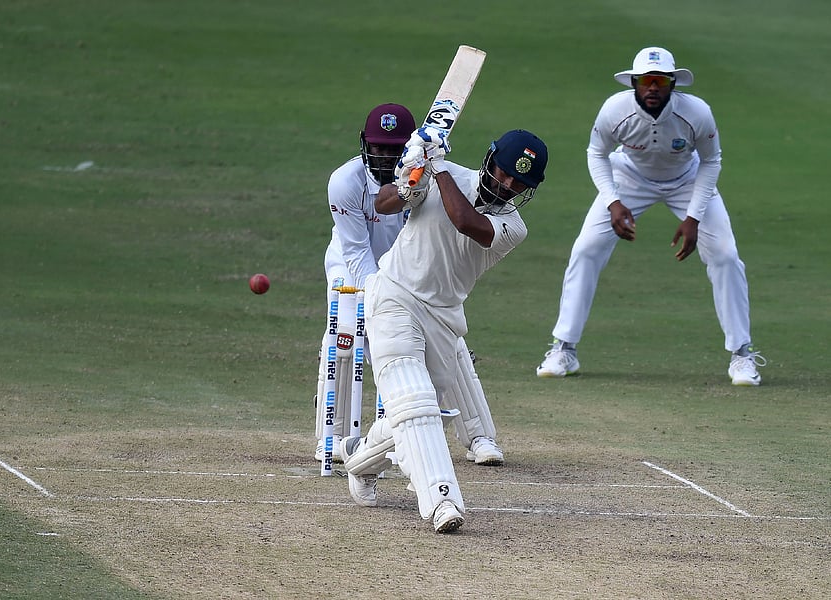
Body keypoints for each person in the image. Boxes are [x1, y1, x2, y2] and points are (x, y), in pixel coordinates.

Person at [339, 126, 549, 533]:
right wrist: (410, 176)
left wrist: (434, 168)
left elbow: (465, 220)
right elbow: (383, 204)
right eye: (504, 173)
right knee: (413, 400)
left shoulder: (512, 227)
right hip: (394, 296)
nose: (506, 186)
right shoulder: (445, 173)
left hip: (443, 318)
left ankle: (359, 459)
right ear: (489, 160)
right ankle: (442, 501)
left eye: (518, 183)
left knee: (416, 413)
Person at [535, 47, 765, 386]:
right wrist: (613, 201)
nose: (653, 88)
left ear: (673, 84)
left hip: (688, 179)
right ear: (635, 83)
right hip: (629, 178)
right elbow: (596, 154)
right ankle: (564, 348)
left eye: (660, 81)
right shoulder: (614, 110)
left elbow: (711, 161)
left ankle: (742, 355)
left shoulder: (697, 113)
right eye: (646, 81)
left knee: (726, 255)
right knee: (586, 249)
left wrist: (694, 217)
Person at [313, 104, 506, 467]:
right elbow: (355, 250)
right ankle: (333, 438)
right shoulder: (345, 181)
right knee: (345, 334)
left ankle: (479, 436)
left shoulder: (426, 175)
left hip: (407, 272)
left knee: (446, 342)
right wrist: (378, 302)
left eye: (394, 149)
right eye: (378, 147)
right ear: (364, 144)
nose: (385, 157)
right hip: (352, 269)